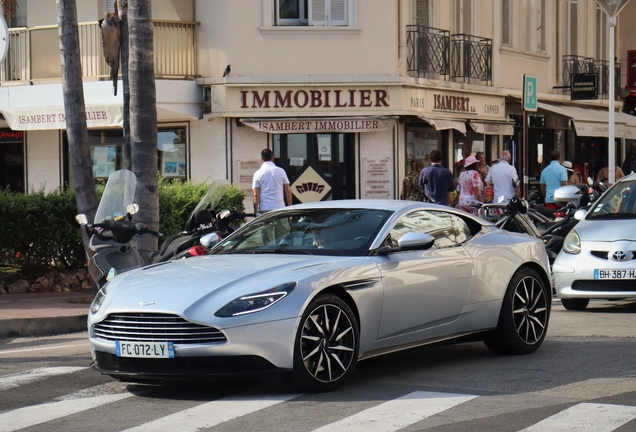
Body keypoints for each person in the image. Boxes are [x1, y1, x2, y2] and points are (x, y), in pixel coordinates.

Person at [252, 148, 292, 215]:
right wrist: (290, 208)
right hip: (279, 207)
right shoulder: (281, 171)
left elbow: (256, 195)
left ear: (261, 160)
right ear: (272, 158)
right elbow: (288, 191)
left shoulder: (257, 173)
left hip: (264, 208)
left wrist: (256, 212)